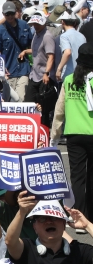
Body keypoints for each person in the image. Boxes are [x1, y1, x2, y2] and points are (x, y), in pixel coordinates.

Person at [51, 43, 93, 219]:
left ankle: (78, 215)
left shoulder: (69, 81)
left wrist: (54, 136)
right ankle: (90, 217)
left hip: (73, 133)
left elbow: (59, 111)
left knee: (77, 176)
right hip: (91, 133)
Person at [0, 1, 33, 102]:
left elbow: (34, 46)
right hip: (8, 72)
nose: (10, 17)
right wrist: (1, 69)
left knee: (20, 99)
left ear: (16, 12)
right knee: (9, 100)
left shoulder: (24, 26)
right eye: (7, 14)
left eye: (12, 14)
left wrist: (26, 52)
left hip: (23, 69)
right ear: (3, 15)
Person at [23, 13, 58, 127]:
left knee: (43, 108)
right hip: (35, 75)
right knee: (29, 104)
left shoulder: (47, 36)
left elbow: (51, 56)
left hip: (44, 76)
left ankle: (44, 133)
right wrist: (25, 51)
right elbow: (36, 50)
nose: (35, 26)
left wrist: (46, 73)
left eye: (38, 24)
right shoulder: (36, 34)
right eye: (34, 24)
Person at [56, 11, 86, 82]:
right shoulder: (82, 36)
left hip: (68, 75)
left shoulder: (64, 36)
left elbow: (67, 52)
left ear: (62, 22)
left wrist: (59, 69)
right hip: (80, 74)